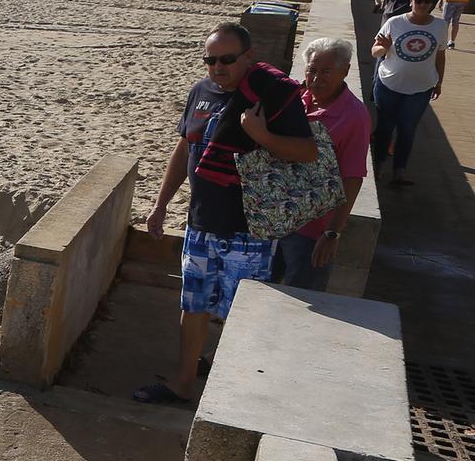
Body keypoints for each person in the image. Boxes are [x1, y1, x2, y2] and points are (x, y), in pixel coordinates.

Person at [139, 23, 318, 406]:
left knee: (243, 316)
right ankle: (184, 382)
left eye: (226, 59)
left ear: (248, 57)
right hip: (201, 223)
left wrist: (260, 134)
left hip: (249, 231)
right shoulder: (199, 92)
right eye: (210, 60)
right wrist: (160, 203)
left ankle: (234, 397)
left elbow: (307, 152)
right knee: (194, 305)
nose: (217, 67)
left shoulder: (271, 97)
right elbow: (185, 149)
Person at [273, 37, 370, 292]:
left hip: (311, 231)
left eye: (326, 71)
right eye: (312, 70)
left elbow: (353, 178)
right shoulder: (295, 99)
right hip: (272, 219)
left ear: (345, 71)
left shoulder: (354, 117)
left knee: (302, 299)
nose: (316, 78)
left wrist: (332, 234)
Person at [371, 0, 449, 187]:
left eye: (428, 1)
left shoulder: (440, 26)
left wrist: (439, 81)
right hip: (388, 84)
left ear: (433, 3)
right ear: (411, 1)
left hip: (421, 88)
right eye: (419, 1)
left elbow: (440, 56)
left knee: (407, 129)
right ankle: (378, 166)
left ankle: (399, 172)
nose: (423, 5)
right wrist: (384, 48)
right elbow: (375, 50)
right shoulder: (395, 22)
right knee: (385, 128)